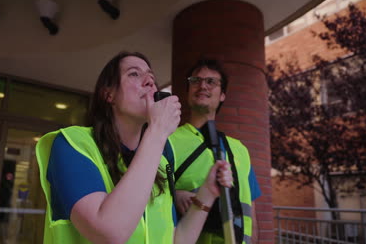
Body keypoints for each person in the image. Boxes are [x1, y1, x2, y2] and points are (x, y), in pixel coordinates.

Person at [36, 51, 233, 244]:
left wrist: (207, 193)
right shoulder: (72, 144)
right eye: (134, 74)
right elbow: (109, 232)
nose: (149, 82)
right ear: (109, 94)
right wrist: (157, 131)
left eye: (151, 77)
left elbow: (176, 239)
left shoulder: (159, 163)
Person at [169, 59, 261, 244]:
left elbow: (251, 213)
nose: (202, 85)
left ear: (222, 95)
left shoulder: (240, 150)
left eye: (211, 82)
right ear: (187, 91)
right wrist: (174, 194)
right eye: (195, 80)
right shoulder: (167, 141)